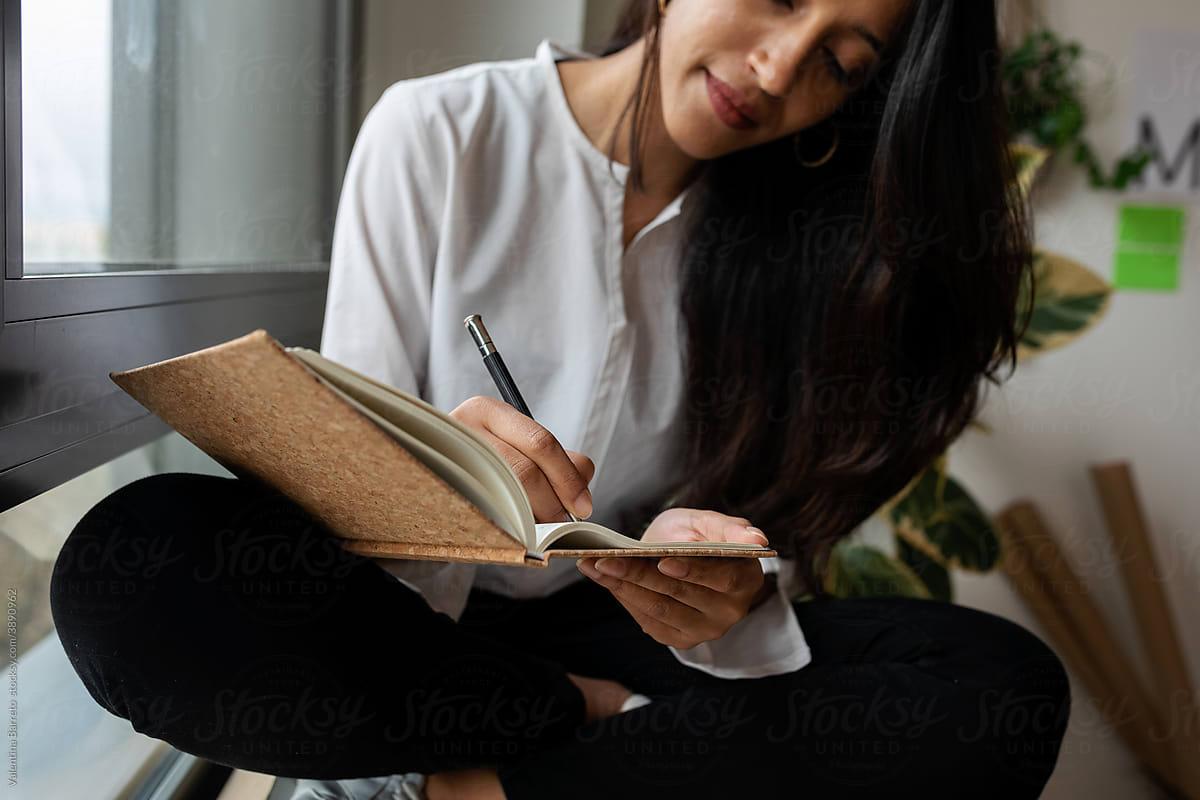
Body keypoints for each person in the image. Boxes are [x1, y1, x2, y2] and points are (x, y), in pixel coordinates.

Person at [50, 0, 1071, 798]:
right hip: (405, 634)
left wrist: (723, 594)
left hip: (610, 627)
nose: (777, 66)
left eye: (842, 64)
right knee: (126, 568)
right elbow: (345, 518)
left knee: (998, 682)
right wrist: (431, 470)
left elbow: (759, 590)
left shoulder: (802, 254)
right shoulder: (440, 133)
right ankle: (587, 724)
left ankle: (457, 785)